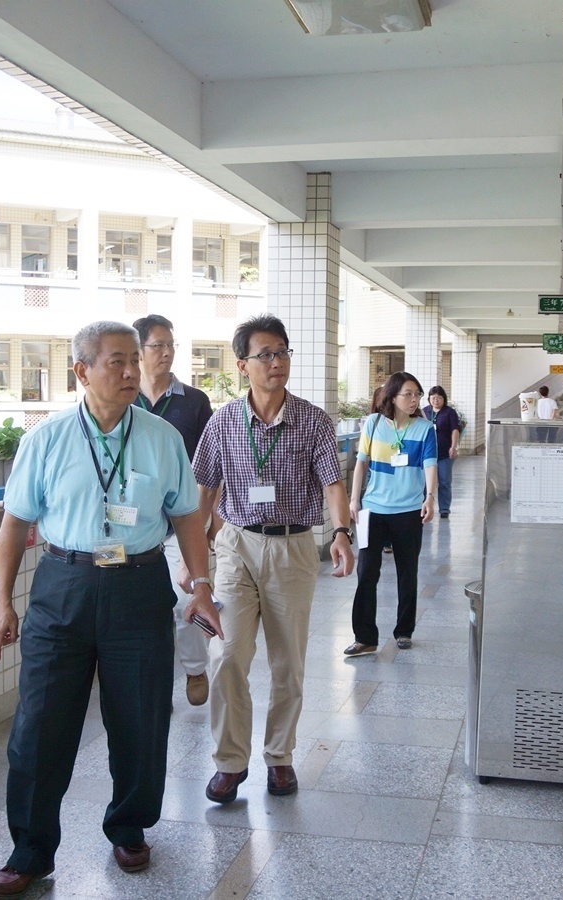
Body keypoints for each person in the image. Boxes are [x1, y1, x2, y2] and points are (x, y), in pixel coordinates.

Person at [0, 321, 222, 898]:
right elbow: (15, 522)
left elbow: (187, 511)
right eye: (115, 362)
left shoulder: (162, 437)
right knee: (39, 727)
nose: (129, 372)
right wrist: (2, 604)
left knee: (141, 718)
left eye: (133, 361)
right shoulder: (47, 438)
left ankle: (130, 827)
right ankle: (31, 850)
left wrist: (201, 584)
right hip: (62, 587)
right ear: (81, 371)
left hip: (139, 586)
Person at [191, 314, 355, 805]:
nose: (276, 362)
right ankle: (230, 762)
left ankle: (279, 757)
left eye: (282, 352)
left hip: (293, 547)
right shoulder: (222, 421)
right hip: (235, 546)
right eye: (265, 355)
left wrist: (342, 533)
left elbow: (332, 483)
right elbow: (203, 492)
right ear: (243, 365)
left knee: (289, 662)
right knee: (227, 655)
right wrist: (194, 561)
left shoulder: (313, 420)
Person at [132, 314, 214, 706]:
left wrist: (207, 525)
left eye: (170, 345)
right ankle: (152, 677)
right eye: (157, 346)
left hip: (182, 519)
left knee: (187, 596)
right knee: (144, 603)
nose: (166, 353)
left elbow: (212, 464)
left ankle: (195, 670)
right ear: (139, 350)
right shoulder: (121, 396)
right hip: (132, 520)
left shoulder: (194, 402)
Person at [344, 371, 437, 656]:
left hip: (409, 511)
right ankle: (365, 637)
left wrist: (430, 497)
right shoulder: (372, 424)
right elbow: (361, 464)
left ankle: (404, 630)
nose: (414, 399)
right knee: (366, 572)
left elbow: (430, 465)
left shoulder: (424, 428)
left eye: (417, 394)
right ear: (392, 396)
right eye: (407, 394)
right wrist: (354, 499)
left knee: (407, 572)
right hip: (374, 509)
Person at [422, 386, 461, 518]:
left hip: (445, 452)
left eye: (439, 398)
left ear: (444, 399)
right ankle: (425, 506)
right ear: (429, 399)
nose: (436, 400)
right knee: (425, 482)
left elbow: (455, 430)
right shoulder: (424, 412)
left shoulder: (449, 412)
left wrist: (453, 446)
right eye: (433, 398)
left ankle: (444, 509)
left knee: (444, 481)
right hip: (427, 453)